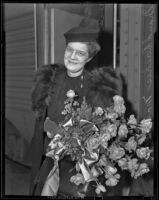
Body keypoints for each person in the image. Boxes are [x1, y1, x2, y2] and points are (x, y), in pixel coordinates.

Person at [29, 18, 126, 197]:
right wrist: (47, 129)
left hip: (80, 169)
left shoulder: (97, 87)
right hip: (51, 163)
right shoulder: (50, 80)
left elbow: (101, 133)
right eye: (69, 50)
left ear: (89, 57)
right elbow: (39, 127)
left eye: (80, 53)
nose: (72, 57)